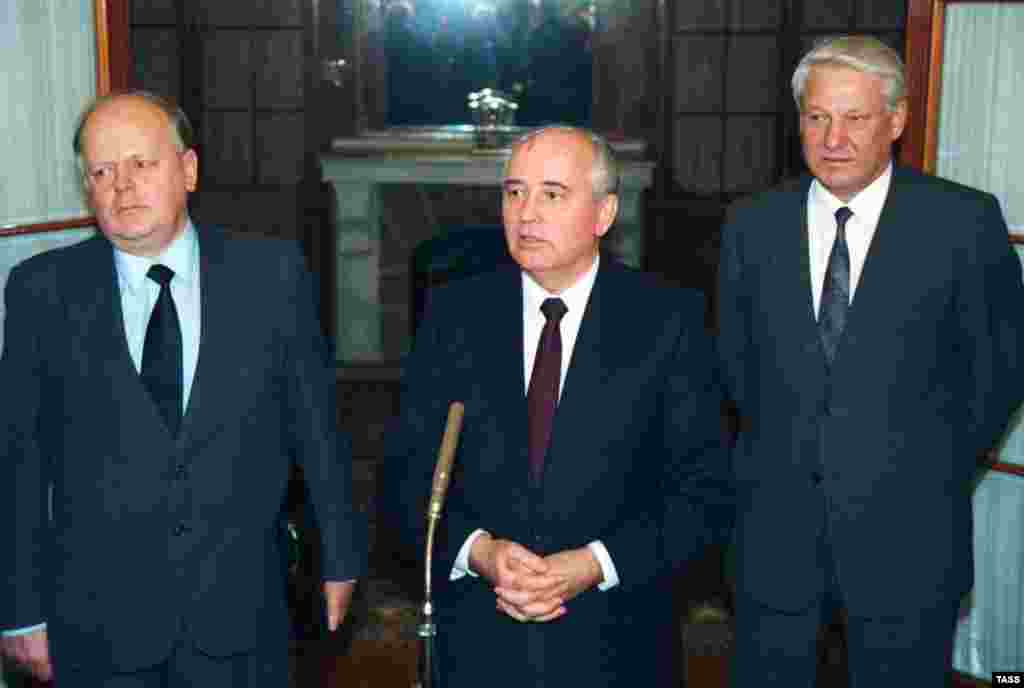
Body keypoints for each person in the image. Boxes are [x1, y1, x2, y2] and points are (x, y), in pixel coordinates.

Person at [0, 91, 365, 686]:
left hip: (241, 614)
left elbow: (316, 429)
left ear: (188, 170)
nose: (122, 186)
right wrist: (17, 613)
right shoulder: (41, 292)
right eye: (102, 171)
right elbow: (16, 462)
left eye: (142, 163)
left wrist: (341, 558)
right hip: (95, 626)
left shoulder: (272, 276)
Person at [717, 35, 1024, 687]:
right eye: (817, 117)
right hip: (775, 537)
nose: (833, 137)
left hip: (909, 536)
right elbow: (736, 370)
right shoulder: (751, 225)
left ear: (896, 120)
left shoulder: (963, 223)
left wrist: (923, 467)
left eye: (855, 118)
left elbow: (999, 371)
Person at [383, 125, 733, 687]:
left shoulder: (669, 321)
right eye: (514, 192)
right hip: (481, 642)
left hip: (615, 644)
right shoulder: (454, 317)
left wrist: (596, 563)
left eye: (552, 194)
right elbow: (404, 482)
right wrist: (479, 553)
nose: (526, 214)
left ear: (603, 214)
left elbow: (704, 495)